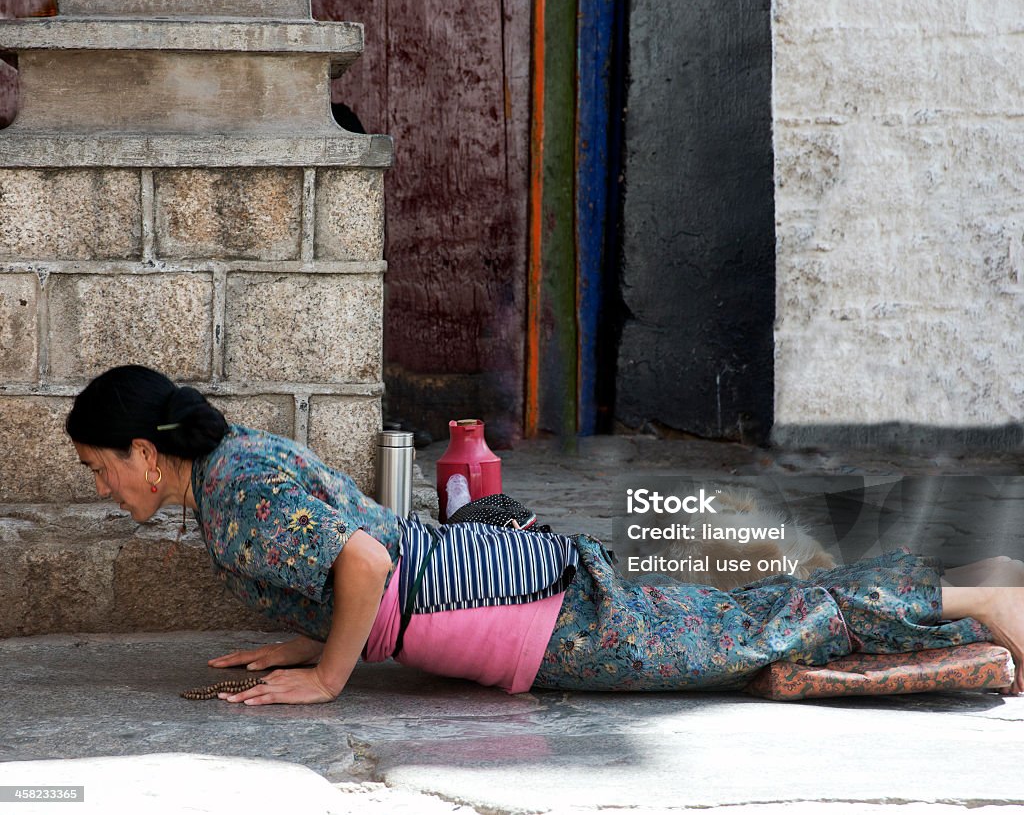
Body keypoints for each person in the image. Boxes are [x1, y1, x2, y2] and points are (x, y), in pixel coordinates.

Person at [65, 365, 1024, 706]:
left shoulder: (234, 498)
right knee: (741, 618)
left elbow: (366, 557)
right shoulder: (239, 462)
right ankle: (958, 583)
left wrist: (326, 676)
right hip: (515, 587)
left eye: (100, 466)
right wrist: (317, 633)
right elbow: (361, 549)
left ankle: (977, 598)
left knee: (752, 633)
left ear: (147, 452)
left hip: (533, 611)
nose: (104, 487)